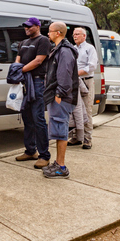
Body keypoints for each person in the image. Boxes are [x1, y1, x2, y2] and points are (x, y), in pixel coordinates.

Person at [42, 21, 79, 179]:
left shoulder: (64, 51)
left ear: (58, 33)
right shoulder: (58, 49)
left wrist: (59, 95)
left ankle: (61, 166)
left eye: (50, 31)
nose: (48, 34)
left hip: (61, 98)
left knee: (61, 130)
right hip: (57, 96)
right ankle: (58, 163)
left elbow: (64, 76)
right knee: (57, 130)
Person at [14, 17, 51, 169]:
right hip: (25, 82)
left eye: (30, 26)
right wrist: (16, 69)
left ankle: (44, 155)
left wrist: (19, 70)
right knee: (27, 116)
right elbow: (18, 59)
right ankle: (30, 151)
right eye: (25, 27)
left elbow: (38, 61)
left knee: (38, 118)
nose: (27, 29)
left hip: (37, 82)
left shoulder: (43, 41)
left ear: (37, 26)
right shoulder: (23, 43)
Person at [68, 27, 98, 150]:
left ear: (84, 36)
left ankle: (87, 139)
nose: (75, 36)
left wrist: (76, 73)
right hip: (74, 82)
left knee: (86, 110)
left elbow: (92, 66)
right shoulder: (72, 49)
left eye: (77, 34)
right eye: (74, 34)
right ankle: (76, 137)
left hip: (86, 82)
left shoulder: (89, 48)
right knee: (74, 110)